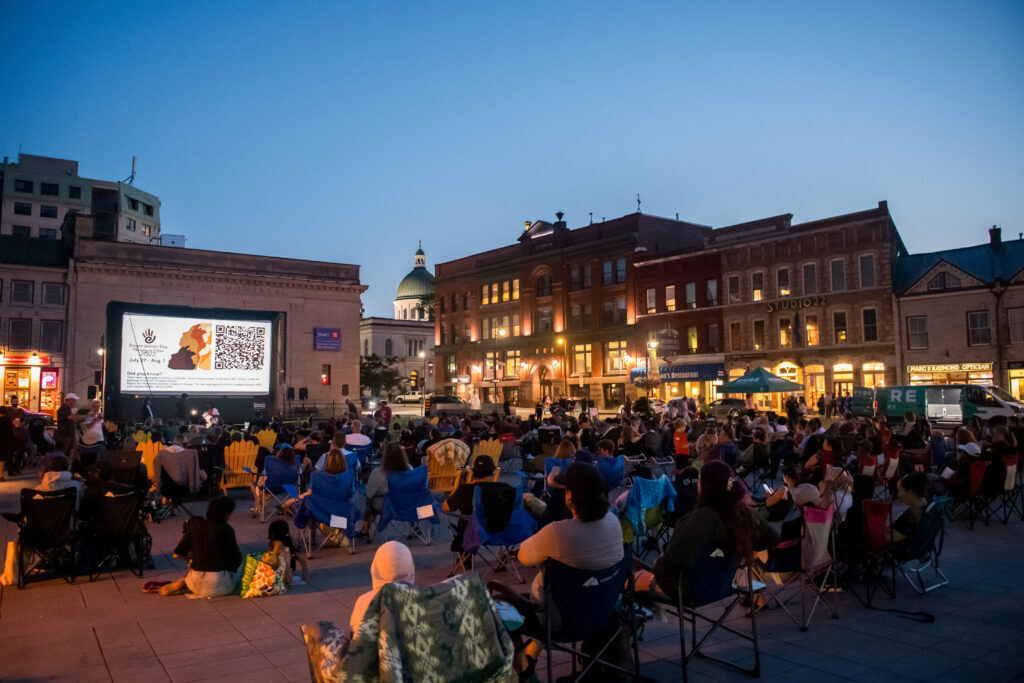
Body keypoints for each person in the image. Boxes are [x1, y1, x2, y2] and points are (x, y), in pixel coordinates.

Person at [490, 462, 623, 678]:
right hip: (603, 611)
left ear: (570, 497)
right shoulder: (614, 522)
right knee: (556, 594)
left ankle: (523, 666)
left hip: (561, 620)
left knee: (502, 606)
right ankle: (532, 654)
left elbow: (524, 556)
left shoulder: (558, 533)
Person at [636, 460, 779, 604]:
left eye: (699, 481)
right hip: (724, 586)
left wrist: (659, 563)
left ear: (705, 486)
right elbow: (772, 538)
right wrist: (743, 556)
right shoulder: (743, 513)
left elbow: (676, 560)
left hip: (691, 590)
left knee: (634, 580)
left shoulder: (704, 517)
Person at [160, 496, 242, 597]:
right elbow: (237, 559)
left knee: (197, 572)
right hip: (219, 585)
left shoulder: (196, 526)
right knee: (241, 568)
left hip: (194, 582)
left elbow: (179, 551)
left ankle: (185, 582)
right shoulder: (226, 529)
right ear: (226, 514)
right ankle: (193, 583)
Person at [350, 541, 415, 634]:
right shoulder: (422, 600)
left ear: (375, 566)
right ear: (410, 566)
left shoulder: (363, 602)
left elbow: (355, 637)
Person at [266, 519, 309, 585]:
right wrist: (304, 577)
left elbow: (272, 560)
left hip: (279, 579)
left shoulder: (278, 545)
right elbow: (303, 561)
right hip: (288, 578)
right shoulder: (288, 545)